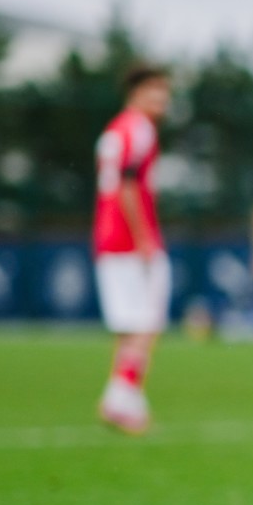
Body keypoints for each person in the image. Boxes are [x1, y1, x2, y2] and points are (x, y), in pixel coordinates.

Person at [92, 64, 173, 435]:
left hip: (106, 238)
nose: (163, 100)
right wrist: (143, 238)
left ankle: (127, 400)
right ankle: (119, 397)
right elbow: (127, 185)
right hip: (128, 240)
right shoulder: (139, 129)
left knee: (129, 325)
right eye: (157, 91)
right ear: (138, 92)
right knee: (147, 322)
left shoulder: (114, 128)